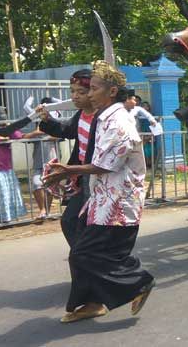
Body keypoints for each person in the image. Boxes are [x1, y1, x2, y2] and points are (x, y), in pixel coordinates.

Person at [44, 60, 154, 323]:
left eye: (93, 89)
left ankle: (138, 282)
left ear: (112, 91)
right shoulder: (103, 118)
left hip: (118, 204)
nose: (88, 94)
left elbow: (104, 164)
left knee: (85, 253)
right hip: (100, 198)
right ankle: (93, 301)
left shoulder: (119, 123)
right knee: (82, 248)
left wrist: (67, 171)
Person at [38, 69, 96, 246]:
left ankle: (87, 259)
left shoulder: (106, 118)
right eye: (72, 91)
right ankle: (83, 258)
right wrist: (47, 120)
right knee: (70, 220)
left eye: (81, 92)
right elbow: (66, 130)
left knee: (87, 223)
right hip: (82, 177)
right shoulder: (81, 115)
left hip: (100, 178)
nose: (75, 96)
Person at [0, 106, 27, 226]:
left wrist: (10, 127)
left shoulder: (4, 126)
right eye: (2, 113)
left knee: (6, 194)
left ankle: (7, 218)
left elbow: (17, 135)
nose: (4, 115)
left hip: (6, 166)